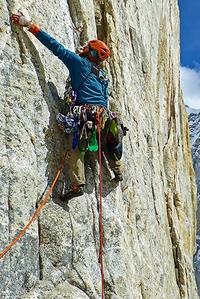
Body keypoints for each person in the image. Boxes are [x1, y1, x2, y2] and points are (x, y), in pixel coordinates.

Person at [11, 12, 124, 201]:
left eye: (88, 48)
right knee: (108, 142)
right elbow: (104, 99)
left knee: (76, 145)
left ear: (92, 53)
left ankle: (76, 184)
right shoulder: (103, 77)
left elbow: (56, 47)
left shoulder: (79, 63)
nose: (84, 49)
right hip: (104, 116)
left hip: (86, 114)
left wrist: (31, 26)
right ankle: (118, 171)